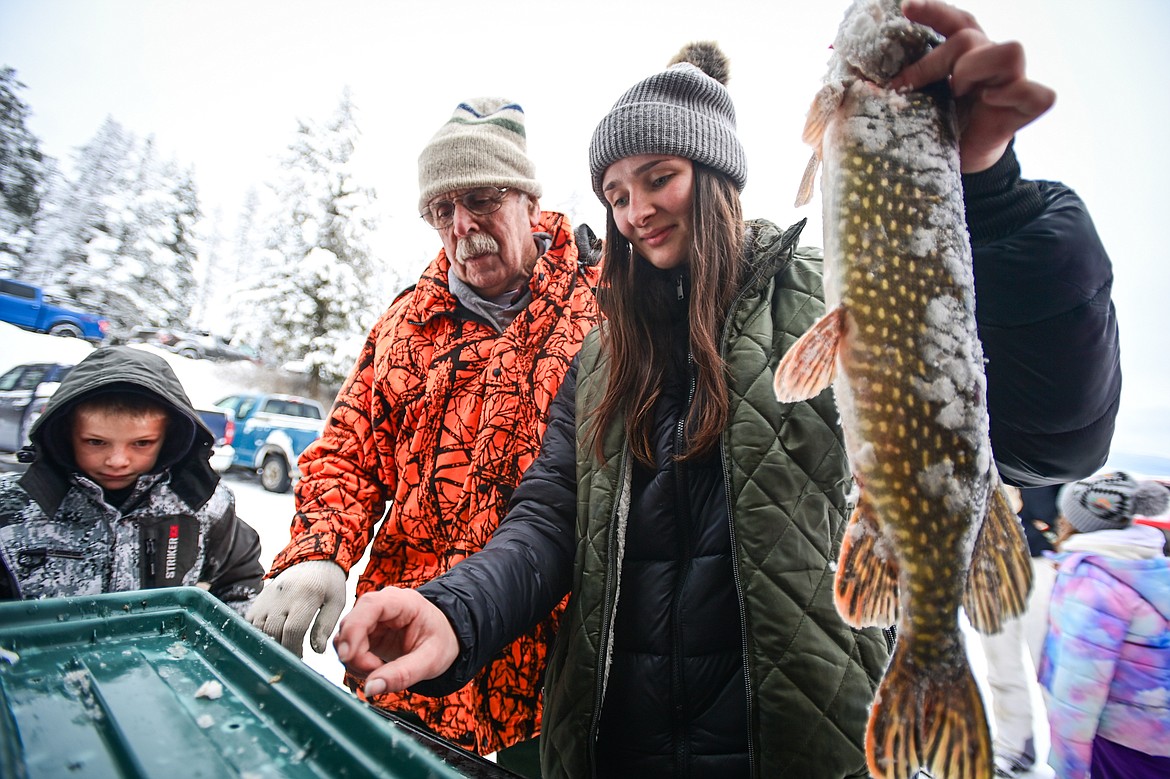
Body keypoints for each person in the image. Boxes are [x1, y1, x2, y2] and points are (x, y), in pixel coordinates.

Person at [333, 1, 1122, 776]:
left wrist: (992, 196)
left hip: (801, 747)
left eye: (658, 176)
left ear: (713, 172)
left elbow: (1050, 437)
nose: (636, 210)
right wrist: (456, 610)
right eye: (614, 193)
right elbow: (548, 520)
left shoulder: (826, 301)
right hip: (614, 752)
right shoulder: (604, 354)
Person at [246, 97, 603, 774]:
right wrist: (318, 551)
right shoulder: (406, 325)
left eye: (480, 198)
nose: (462, 224)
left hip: (554, 673)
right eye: (442, 210)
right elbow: (348, 456)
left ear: (529, 199)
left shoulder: (603, 305)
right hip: (406, 658)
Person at [0, 345, 263, 613]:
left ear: (170, 437)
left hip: (157, 654)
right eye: (96, 441)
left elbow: (242, 579)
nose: (117, 460)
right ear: (65, 433)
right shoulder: (13, 507)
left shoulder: (203, 505)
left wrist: (212, 643)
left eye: (141, 443)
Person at [1038, 472, 1170, 779]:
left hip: (1124, 738)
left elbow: (1079, 683)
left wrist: (1067, 765)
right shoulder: (1150, 565)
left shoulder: (1092, 583)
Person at [976, 485, 1059, 776]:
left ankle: (1068, 755)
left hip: (1040, 561)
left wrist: (1051, 527)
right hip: (990, 564)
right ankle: (1014, 747)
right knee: (1001, 665)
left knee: (1052, 666)